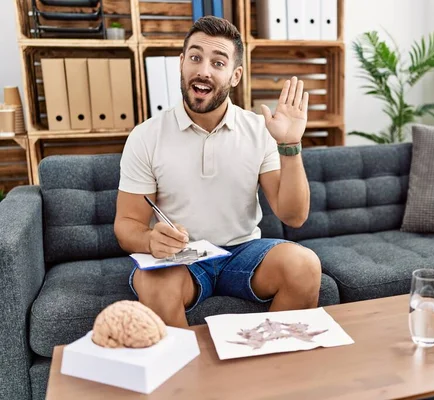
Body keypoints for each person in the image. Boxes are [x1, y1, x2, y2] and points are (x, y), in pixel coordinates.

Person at [114, 16, 321, 328]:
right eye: (195, 57)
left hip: (245, 252)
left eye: (218, 62)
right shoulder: (146, 136)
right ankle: (189, 377)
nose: (203, 70)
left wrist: (289, 144)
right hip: (182, 257)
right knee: (154, 284)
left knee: (304, 265)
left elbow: (294, 216)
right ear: (181, 63)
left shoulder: (258, 130)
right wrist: (150, 241)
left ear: (235, 75)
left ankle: (272, 370)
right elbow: (127, 224)